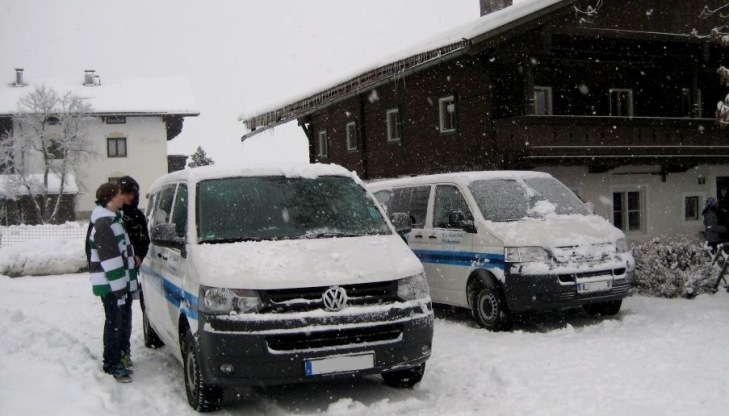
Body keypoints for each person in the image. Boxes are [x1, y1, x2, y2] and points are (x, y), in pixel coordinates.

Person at [87, 183, 138, 383]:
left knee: (121, 321)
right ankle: (112, 363)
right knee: (114, 323)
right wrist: (119, 289)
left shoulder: (114, 219)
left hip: (119, 283)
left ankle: (119, 358)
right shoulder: (103, 223)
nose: (122, 197)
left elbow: (122, 250)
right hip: (112, 285)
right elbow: (109, 258)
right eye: (119, 194)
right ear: (111, 197)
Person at [118, 176, 150, 369]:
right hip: (115, 273)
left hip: (131, 273)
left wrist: (138, 255)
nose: (130, 197)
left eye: (133, 194)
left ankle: (124, 352)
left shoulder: (137, 215)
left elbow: (144, 239)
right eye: (127, 193)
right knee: (117, 317)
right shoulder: (112, 214)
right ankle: (117, 353)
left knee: (126, 314)